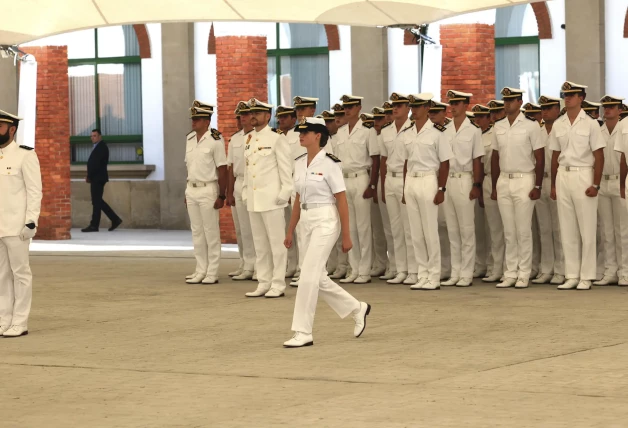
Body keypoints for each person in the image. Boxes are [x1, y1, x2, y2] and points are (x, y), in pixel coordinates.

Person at [283, 117, 370, 348]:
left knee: (308, 276)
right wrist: (290, 230)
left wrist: (347, 234)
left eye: (306, 132)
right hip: (306, 220)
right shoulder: (300, 162)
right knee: (317, 277)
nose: (300, 135)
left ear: (318, 136)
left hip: (325, 220)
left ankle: (303, 332)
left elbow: (341, 199)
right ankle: (357, 308)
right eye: (300, 132)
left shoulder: (330, 163)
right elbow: (298, 199)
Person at [549, 82, 605, 290]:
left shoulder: (590, 123)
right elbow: (555, 155)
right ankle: (571, 274)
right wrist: (554, 184)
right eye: (565, 95)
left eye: (572, 95)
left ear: (581, 98)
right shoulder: (559, 124)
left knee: (587, 228)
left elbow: (599, 156)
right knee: (567, 227)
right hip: (564, 175)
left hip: (584, 175)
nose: (568, 98)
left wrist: (596, 184)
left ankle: (587, 275)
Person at [491, 88, 545, 289]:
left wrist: (537, 185)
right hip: (504, 179)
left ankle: (524, 272)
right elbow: (495, 157)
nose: (507, 104)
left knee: (523, 230)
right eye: (505, 100)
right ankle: (510, 272)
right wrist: (496, 185)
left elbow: (540, 158)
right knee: (509, 230)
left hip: (524, 178)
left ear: (519, 102)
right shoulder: (498, 126)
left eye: (511, 100)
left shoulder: (531, 126)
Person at [242, 98, 293, 298]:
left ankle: (278, 284)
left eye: (258, 112)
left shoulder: (276, 138)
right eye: (251, 112)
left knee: (276, 244)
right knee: (260, 244)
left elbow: (285, 169)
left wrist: (284, 193)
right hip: (255, 199)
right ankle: (264, 282)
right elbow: (248, 170)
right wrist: (246, 192)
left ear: (267, 116)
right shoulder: (249, 139)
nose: (253, 116)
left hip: (272, 199)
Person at [401, 93, 452, 290]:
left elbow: (445, 162)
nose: (414, 110)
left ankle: (434, 275)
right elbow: (407, 162)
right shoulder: (408, 133)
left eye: (418, 107)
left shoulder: (437, 132)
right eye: (412, 106)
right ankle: (422, 274)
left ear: (427, 108)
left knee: (430, 231)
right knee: (416, 232)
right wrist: (405, 189)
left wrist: (441, 188)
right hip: (412, 181)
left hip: (429, 179)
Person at [0, 110, 42, 337]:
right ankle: (3, 320)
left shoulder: (25, 155)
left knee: (21, 274)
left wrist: (31, 221)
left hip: (16, 228)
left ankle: (20, 322)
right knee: (1, 276)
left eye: (0, 126)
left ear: (12, 129)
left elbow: (35, 191)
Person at [333, 94, 380, 284]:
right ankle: (353, 268)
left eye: (351, 107)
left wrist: (373, 184)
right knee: (349, 228)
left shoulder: (368, 130)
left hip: (361, 178)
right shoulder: (341, 132)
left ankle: (364, 270)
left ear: (359, 108)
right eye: (346, 107)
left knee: (363, 227)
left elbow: (375, 158)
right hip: (344, 180)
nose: (347, 110)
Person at [441, 90, 484, 287]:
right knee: (452, 228)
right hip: (448, 180)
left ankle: (467, 272)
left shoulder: (473, 130)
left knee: (466, 229)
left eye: (457, 103)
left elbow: (477, 160)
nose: (453, 106)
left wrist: (477, 184)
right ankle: (455, 271)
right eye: (452, 103)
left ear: (465, 105)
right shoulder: (445, 129)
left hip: (465, 179)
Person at [184, 104, 228, 285]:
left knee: (211, 232)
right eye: (193, 119)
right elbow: (189, 166)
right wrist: (186, 192)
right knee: (197, 232)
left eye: (197, 119)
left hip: (208, 189)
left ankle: (212, 272)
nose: (193, 122)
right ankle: (200, 270)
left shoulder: (215, 139)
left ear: (207, 121)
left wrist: (222, 195)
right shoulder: (190, 138)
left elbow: (223, 169)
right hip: (191, 188)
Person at [380, 93, 418, 285]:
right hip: (389, 179)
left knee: (409, 228)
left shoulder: (412, 129)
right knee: (395, 228)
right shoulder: (386, 131)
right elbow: (382, 159)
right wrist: (381, 185)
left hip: (406, 179)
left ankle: (413, 270)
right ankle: (400, 268)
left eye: (400, 105)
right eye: (394, 106)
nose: (395, 109)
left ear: (408, 108)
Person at [595, 95, 628, 286]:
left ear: (620, 109)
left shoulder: (623, 129)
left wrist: (623, 184)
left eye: (611, 107)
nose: (606, 110)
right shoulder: (598, 130)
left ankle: (625, 271)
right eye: (605, 107)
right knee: (606, 230)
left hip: (619, 181)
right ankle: (610, 270)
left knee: (622, 229)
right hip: (603, 182)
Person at [532, 96, 565, 285]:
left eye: (549, 107)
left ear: (557, 109)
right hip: (541, 180)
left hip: (558, 180)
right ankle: (547, 269)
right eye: (542, 108)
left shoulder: (562, 128)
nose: (544, 111)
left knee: (559, 228)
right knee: (544, 228)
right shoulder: (538, 131)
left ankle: (561, 269)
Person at [472, 104, 505, 283]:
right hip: (484, 180)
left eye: (482, 117)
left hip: (498, 178)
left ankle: (498, 267)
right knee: (486, 228)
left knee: (499, 229)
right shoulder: (479, 135)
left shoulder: (496, 134)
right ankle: (487, 265)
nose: (478, 120)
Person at [226, 101, 256, 281]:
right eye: (240, 116)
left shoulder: (258, 137)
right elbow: (230, 168)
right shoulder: (235, 138)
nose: (242, 118)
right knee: (241, 228)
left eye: (245, 115)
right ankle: (245, 263)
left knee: (253, 228)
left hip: (253, 183)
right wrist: (229, 193)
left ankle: (256, 265)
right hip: (239, 182)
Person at [81, 129, 122, 232]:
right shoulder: (97, 147)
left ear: (100, 137)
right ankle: (114, 219)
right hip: (96, 177)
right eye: (91, 136)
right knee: (97, 201)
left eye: (95, 136)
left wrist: (89, 176)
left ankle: (95, 225)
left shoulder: (102, 147)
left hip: (98, 178)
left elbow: (96, 164)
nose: (92, 138)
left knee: (97, 201)